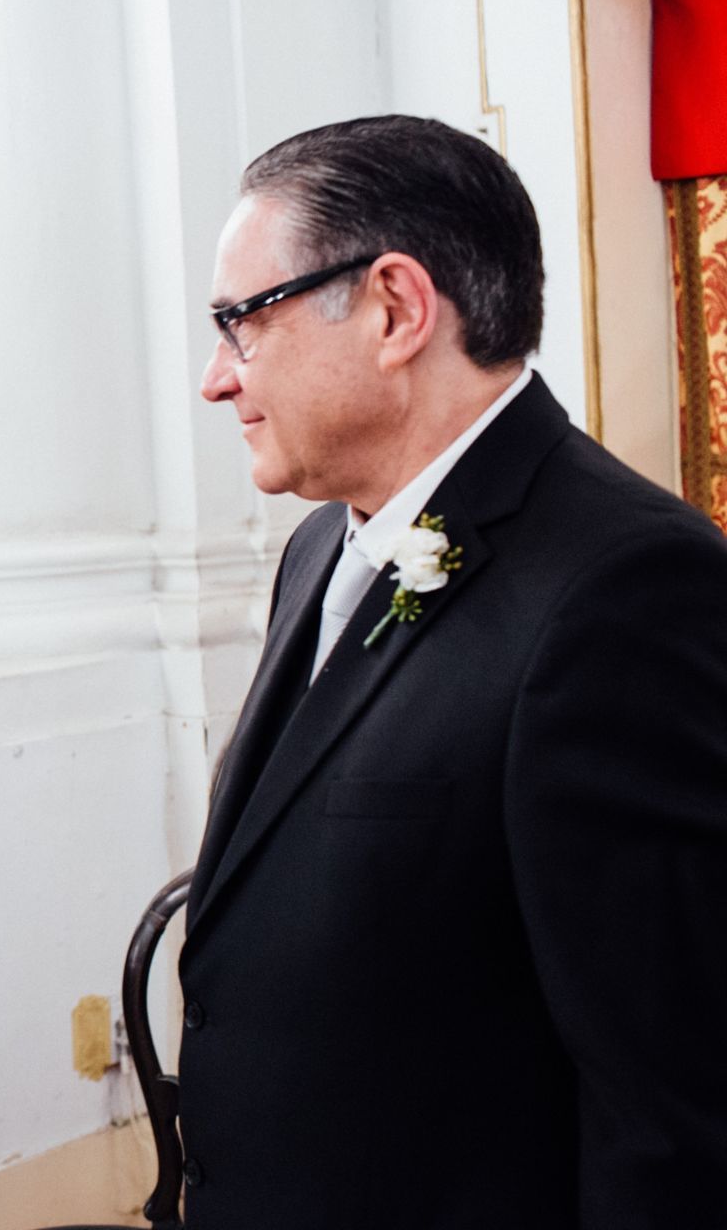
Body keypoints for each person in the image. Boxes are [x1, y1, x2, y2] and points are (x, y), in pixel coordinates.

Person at [175, 115, 727, 1230]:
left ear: (394, 308)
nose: (216, 379)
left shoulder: (628, 589)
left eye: (242, 323)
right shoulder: (318, 546)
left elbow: (671, 1102)